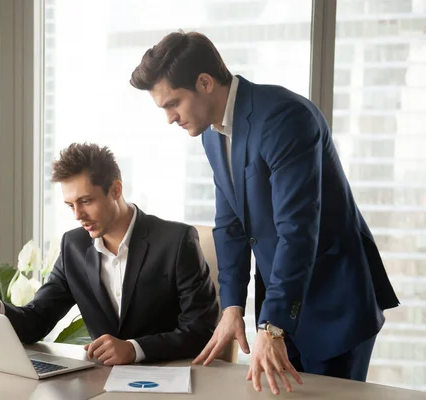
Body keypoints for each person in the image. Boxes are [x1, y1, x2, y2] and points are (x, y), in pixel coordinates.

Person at [129, 30, 399, 393]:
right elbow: (230, 226)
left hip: (334, 304)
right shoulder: (212, 133)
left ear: (205, 83)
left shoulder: (284, 118)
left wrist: (272, 326)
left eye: (172, 103)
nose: (169, 118)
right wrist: (232, 307)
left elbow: (297, 230)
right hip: (282, 305)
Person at [0, 142, 219, 365]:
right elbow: (37, 319)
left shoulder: (176, 241)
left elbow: (200, 330)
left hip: (167, 379)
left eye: (86, 201)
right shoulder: (73, 246)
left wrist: (134, 349)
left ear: (116, 190)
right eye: (70, 205)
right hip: (99, 383)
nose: (78, 215)